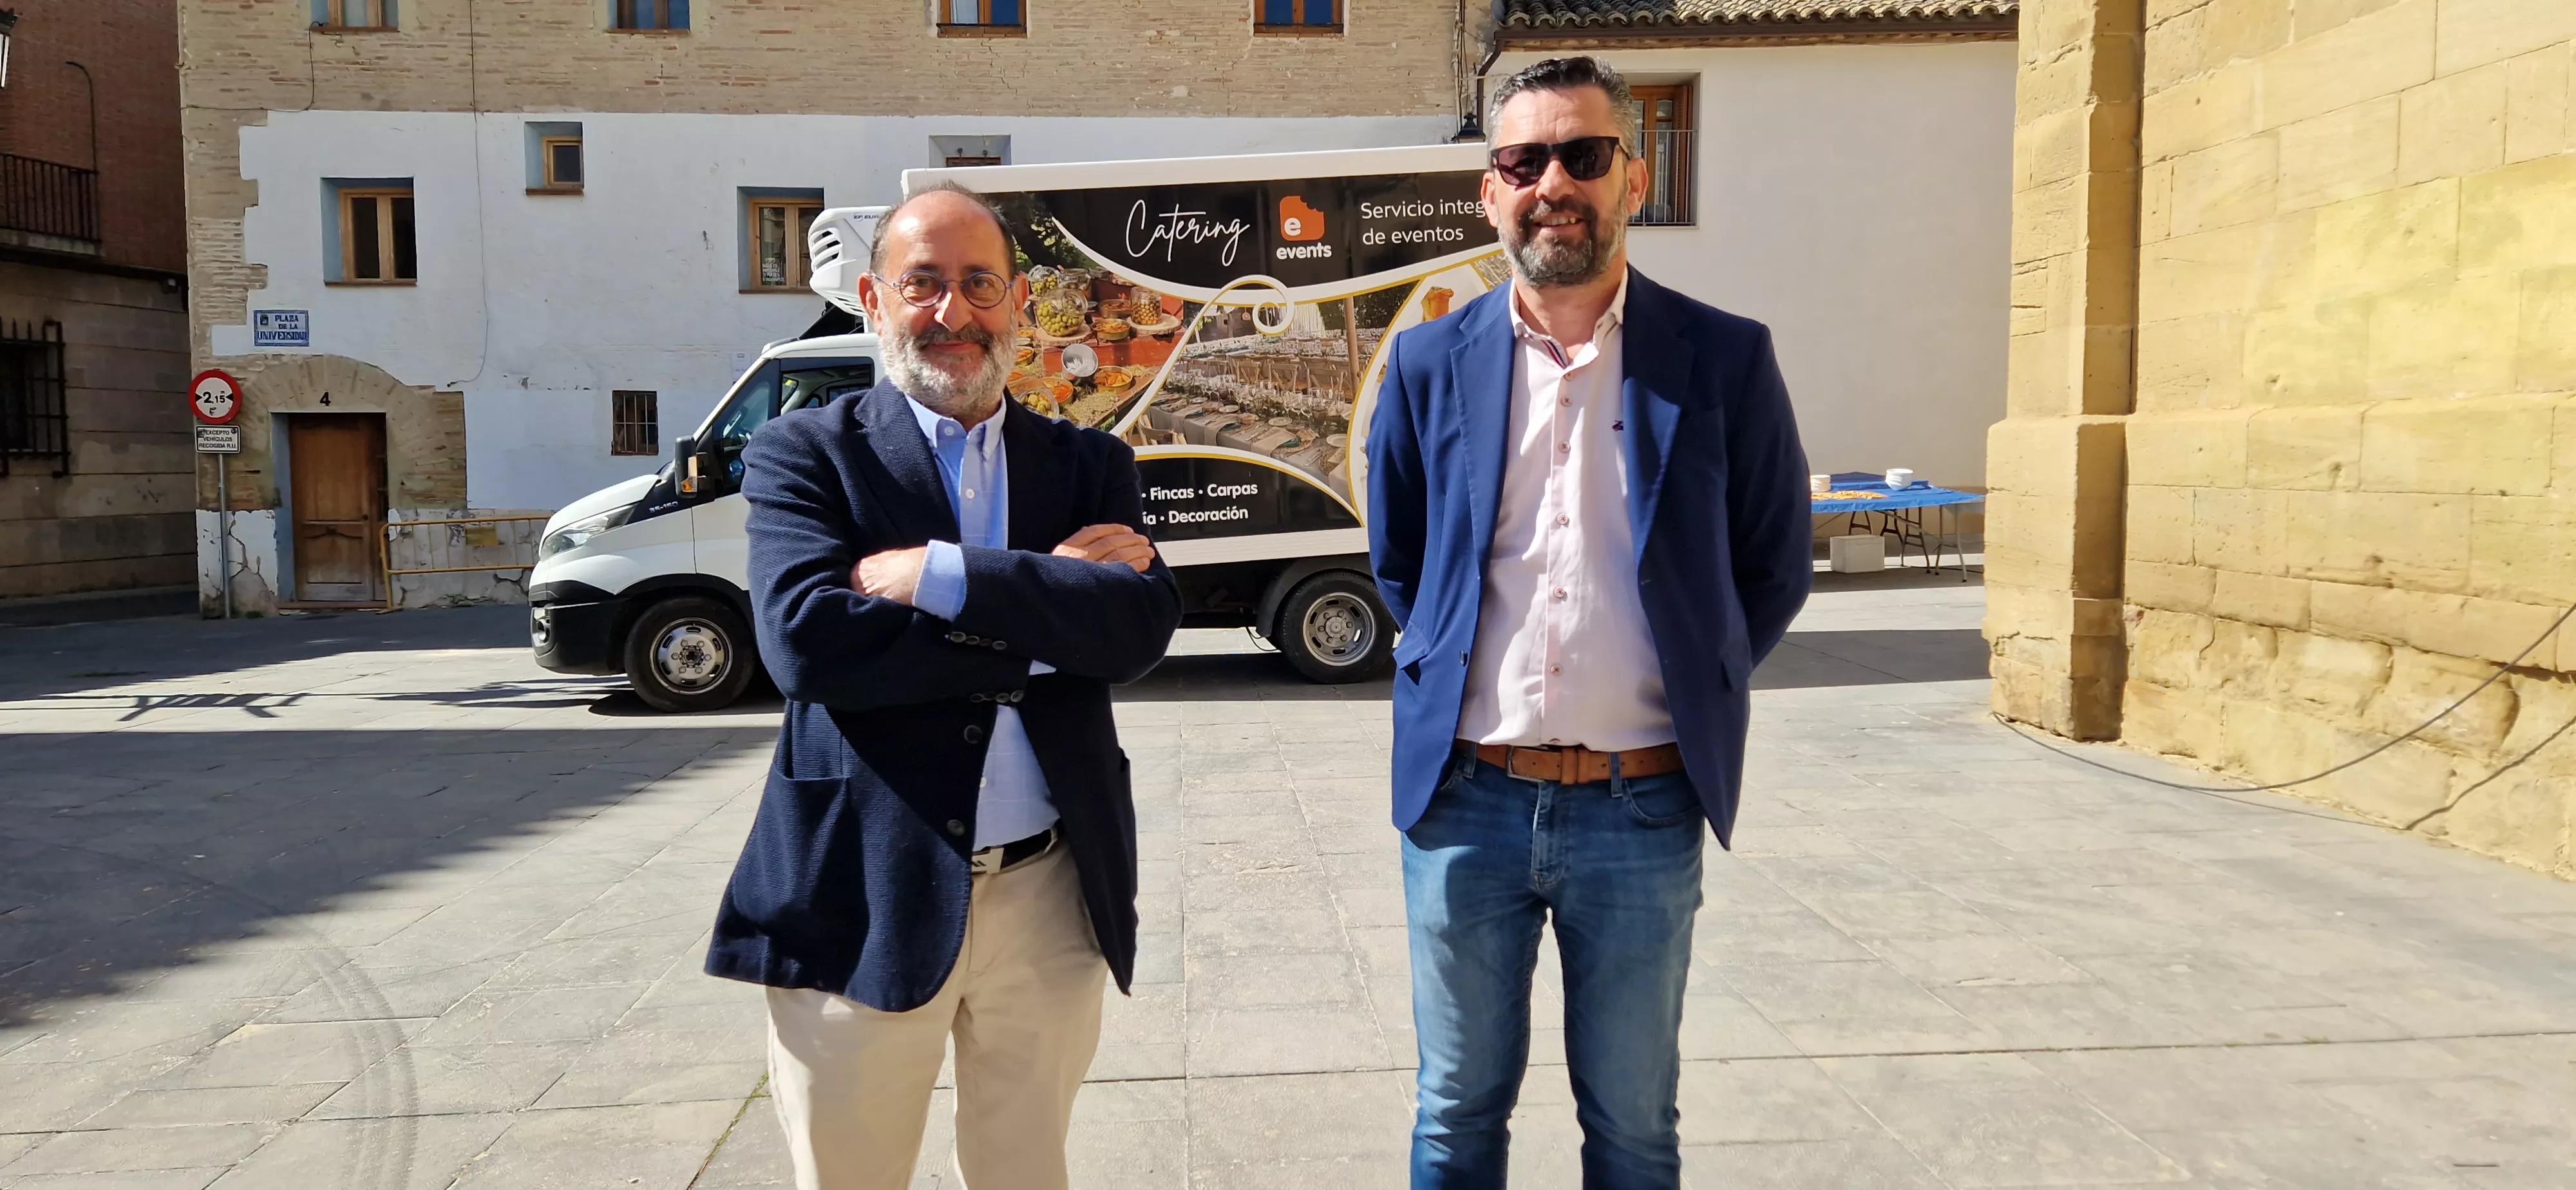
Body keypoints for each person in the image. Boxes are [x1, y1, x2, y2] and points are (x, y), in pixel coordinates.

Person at [1365, 56, 1813, 1189]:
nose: (1552, 182)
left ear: (1634, 175)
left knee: (1633, 1128)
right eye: (1523, 161)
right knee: (1455, 1117)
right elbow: (1401, 563)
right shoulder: (1425, 362)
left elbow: (1771, 564)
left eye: (1583, 155)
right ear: (1489, 192)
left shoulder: (1724, 357)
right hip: (1466, 805)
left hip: (1643, 805)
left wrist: (1697, 675)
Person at [703, 184, 1180, 1190]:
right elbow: (808, 647)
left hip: (1051, 895)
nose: (952, 314)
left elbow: (1137, 631)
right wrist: (1050, 615)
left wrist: (942, 577)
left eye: (979, 285)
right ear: (874, 300)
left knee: (1026, 1173)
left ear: (1017, 304)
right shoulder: (805, 454)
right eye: (923, 285)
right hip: (859, 891)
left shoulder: (1090, 463)